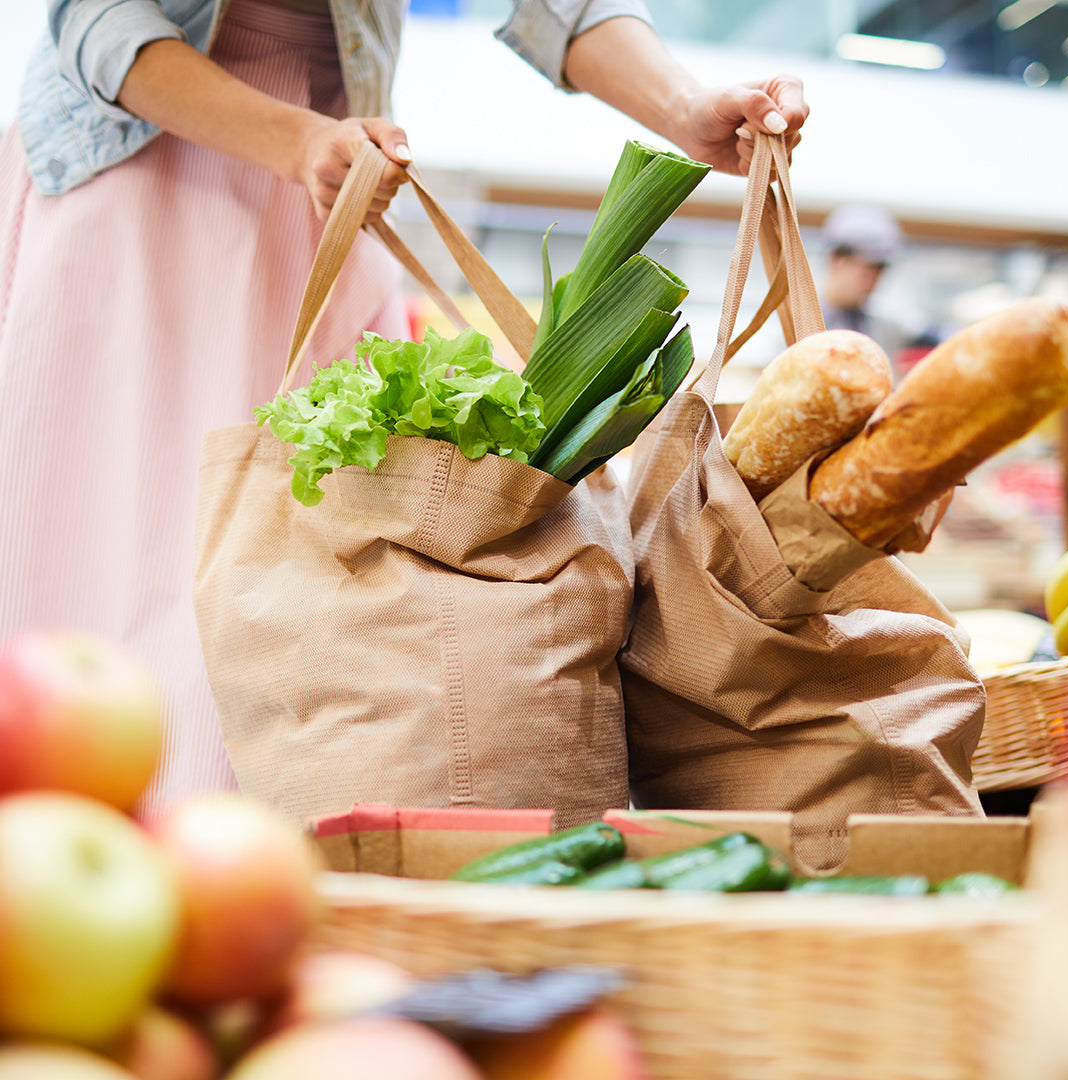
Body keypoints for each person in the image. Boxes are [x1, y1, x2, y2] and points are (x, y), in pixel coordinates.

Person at [0, 0, 809, 821]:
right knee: (115, 564)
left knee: (317, 574)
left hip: (335, 176)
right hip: (149, 178)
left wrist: (682, 108)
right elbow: (97, 20)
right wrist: (298, 141)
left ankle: (244, 871)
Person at [819, 202, 910, 369]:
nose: (873, 281)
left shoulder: (885, 326)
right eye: (867, 269)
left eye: (880, 271)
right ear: (837, 260)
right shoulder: (798, 322)